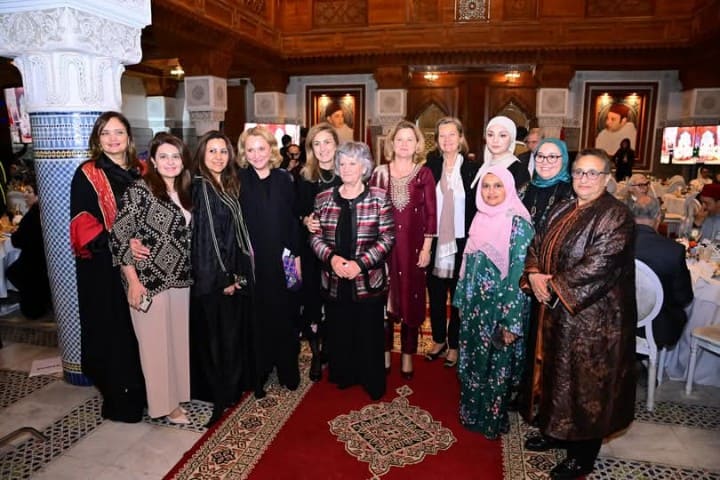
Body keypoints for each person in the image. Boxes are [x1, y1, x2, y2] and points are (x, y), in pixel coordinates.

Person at [520, 148, 637, 480]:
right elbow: (537, 244)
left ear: (606, 178)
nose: (583, 179)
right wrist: (532, 275)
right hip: (556, 313)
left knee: (586, 387)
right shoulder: (563, 207)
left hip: (594, 321)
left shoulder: (616, 216)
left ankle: (582, 456)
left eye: (592, 173)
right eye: (578, 173)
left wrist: (552, 286)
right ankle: (553, 431)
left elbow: (598, 267)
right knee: (555, 377)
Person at [110, 132, 193, 424]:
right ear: (153, 162)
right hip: (148, 281)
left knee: (177, 342)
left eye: (175, 156)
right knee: (155, 346)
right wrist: (132, 280)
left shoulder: (185, 191)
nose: (170, 162)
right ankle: (164, 406)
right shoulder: (139, 190)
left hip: (181, 279)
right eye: (164, 157)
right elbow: (119, 237)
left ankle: (178, 395)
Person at [69, 111, 146, 422]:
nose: (113, 139)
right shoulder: (88, 173)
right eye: (106, 133)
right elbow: (83, 225)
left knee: (141, 331)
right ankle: (121, 402)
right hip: (104, 268)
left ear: (128, 136)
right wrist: (123, 243)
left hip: (143, 262)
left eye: (119, 132)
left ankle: (146, 393)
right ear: (97, 139)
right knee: (114, 333)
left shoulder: (141, 170)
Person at [453, 166, 534, 439]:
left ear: (509, 188)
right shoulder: (480, 216)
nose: (490, 192)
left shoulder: (518, 224)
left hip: (500, 309)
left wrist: (511, 321)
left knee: (496, 365)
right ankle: (471, 413)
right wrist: (462, 300)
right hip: (475, 307)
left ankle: (490, 421)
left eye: (498, 186)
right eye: (486, 186)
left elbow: (517, 275)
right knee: (473, 360)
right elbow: (468, 263)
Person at [310, 141, 395, 400]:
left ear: (364, 167)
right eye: (342, 163)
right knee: (339, 329)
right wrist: (333, 259)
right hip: (335, 279)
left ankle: (371, 380)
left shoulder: (379, 197)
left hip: (367, 279)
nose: (346, 169)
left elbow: (388, 238)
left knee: (369, 332)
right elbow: (315, 237)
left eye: (352, 163)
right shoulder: (323, 198)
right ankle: (344, 375)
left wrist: (360, 264)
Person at [190, 131, 256, 427]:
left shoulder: (225, 184)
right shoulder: (202, 186)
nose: (218, 156)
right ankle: (221, 393)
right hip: (215, 278)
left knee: (230, 335)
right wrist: (225, 277)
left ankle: (231, 389)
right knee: (218, 339)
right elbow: (209, 238)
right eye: (212, 151)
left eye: (223, 151)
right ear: (202, 154)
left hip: (230, 273)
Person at [237, 126, 301, 397]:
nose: (256, 154)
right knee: (258, 317)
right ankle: (260, 370)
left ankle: (287, 368)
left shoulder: (284, 179)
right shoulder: (238, 180)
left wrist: (296, 257)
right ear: (244, 153)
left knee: (285, 314)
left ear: (271, 150)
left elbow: (292, 221)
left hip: (283, 258)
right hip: (253, 261)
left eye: (261, 148)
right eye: (250, 149)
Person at [370, 119, 436, 380]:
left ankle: (408, 354)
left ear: (417, 144)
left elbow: (432, 213)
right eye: (400, 140)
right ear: (392, 144)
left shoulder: (424, 173)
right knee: (384, 300)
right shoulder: (379, 172)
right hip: (384, 248)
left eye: (410, 139)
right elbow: (372, 211)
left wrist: (427, 247)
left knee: (411, 299)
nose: (405, 144)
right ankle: (385, 352)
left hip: (414, 250)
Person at [424, 117, 478, 368]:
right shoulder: (430, 166)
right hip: (434, 240)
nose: (447, 140)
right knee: (434, 294)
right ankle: (438, 340)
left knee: (457, 297)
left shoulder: (471, 168)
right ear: (436, 140)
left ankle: (454, 344)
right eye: (442, 136)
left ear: (460, 138)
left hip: (461, 241)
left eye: (451, 135)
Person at [297, 123, 343, 381]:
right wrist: (305, 220)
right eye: (317, 144)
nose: (323, 148)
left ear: (336, 144)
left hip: (341, 249)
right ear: (311, 148)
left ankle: (332, 349)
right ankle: (316, 353)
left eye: (327, 142)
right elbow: (297, 210)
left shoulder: (347, 170)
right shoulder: (304, 176)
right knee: (313, 301)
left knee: (336, 302)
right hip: (313, 250)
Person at [630, 195, 693, 349]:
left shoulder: (615, 243)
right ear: (658, 217)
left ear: (632, 216)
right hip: (656, 329)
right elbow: (684, 298)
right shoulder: (674, 250)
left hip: (617, 321)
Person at [7, 181, 52, 319]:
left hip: (32, 263)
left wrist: (16, 232)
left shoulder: (31, 216)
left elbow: (17, 241)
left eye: (29, 192)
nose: (25, 195)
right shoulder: (46, 212)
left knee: (12, 271)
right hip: (44, 260)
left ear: (39, 196)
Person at [521, 138, 574, 232]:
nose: (545, 162)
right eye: (540, 156)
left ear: (564, 160)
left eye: (552, 157)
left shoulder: (571, 192)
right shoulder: (525, 188)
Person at [473, 115, 530, 192]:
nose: (495, 140)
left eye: (502, 135)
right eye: (490, 135)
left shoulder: (519, 170)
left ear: (511, 139)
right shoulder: (482, 166)